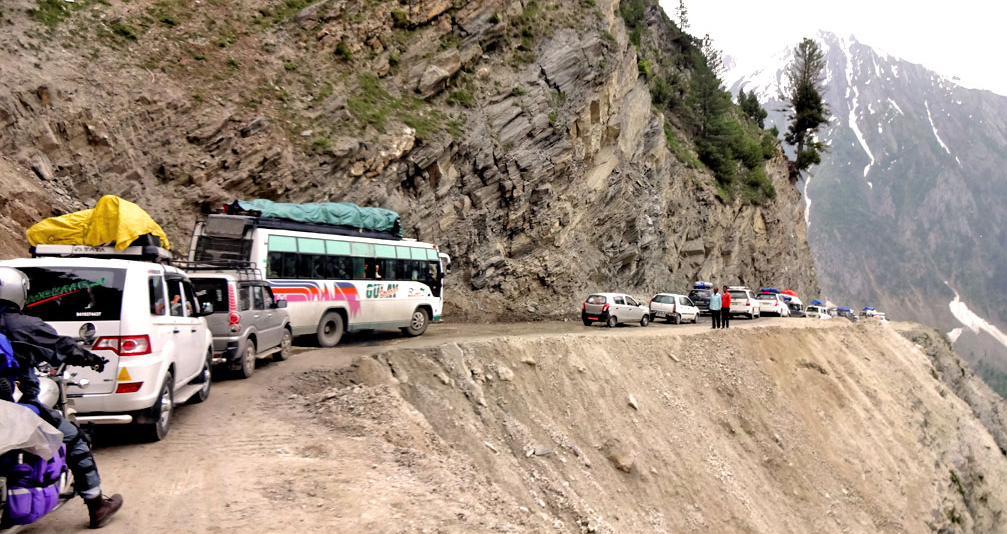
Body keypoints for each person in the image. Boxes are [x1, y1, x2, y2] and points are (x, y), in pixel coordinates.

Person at [0, 267, 124, 528]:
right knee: (74, 440)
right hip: (9, 410)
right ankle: (97, 504)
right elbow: (63, 347)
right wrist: (91, 358)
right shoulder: (22, 324)